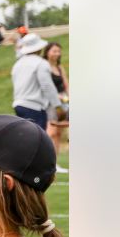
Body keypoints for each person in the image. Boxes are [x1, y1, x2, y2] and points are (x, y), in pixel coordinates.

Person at [11, 34, 63, 132]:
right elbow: (47, 86)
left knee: (27, 136)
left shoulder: (17, 64)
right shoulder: (41, 63)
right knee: (38, 138)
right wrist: (57, 106)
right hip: (34, 107)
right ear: (39, 48)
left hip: (19, 105)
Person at [44, 42, 69, 174]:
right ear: (47, 51)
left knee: (58, 134)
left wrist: (69, 97)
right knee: (51, 132)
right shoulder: (43, 66)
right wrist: (57, 97)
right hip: (50, 103)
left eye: (58, 51)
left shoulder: (59, 67)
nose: (57, 54)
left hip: (63, 102)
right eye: (54, 51)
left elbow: (66, 83)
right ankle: (46, 163)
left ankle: (54, 163)